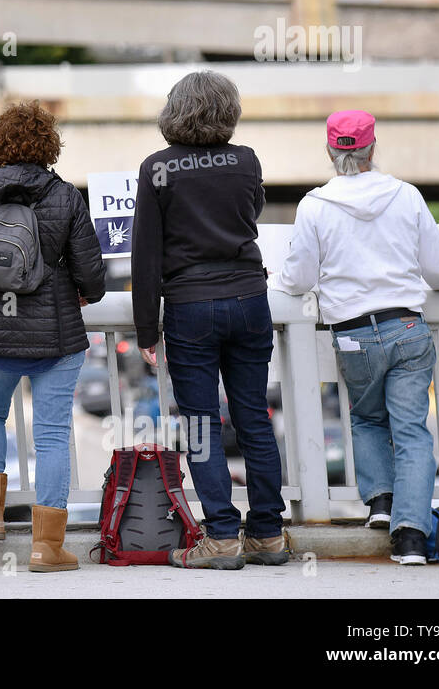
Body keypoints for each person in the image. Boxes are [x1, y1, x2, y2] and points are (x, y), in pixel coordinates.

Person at [274, 110, 439, 565]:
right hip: (408, 327)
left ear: (330, 151)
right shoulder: (407, 196)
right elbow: (437, 270)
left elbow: (297, 279)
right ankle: (412, 538)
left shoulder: (315, 206)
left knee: (366, 418)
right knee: (412, 432)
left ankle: (379, 502)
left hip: (353, 333)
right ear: (373, 149)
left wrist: (278, 280)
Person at [131, 70, 287, 570]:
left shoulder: (157, 168)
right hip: (249, 298)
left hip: (190, 304)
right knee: (254, 419)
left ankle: (221, 537)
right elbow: (252, 212)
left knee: (201, 426)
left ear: (175, 111)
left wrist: (145, 329)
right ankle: (268, 533)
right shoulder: (246, 161)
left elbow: (145, 254)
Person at [0, 101, 106, 572]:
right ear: (49, 146)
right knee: (53, 435)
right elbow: (93, 279)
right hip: (55, 339)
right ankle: (46, 546)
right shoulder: (66, 197)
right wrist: (75, 290)